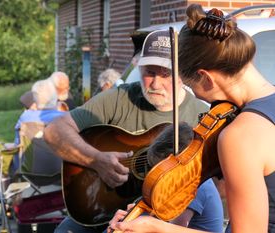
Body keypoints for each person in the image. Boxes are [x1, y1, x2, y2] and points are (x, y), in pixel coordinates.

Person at [109, 4, 275, 233]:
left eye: (189, 86)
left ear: (205, 78)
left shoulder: (241, 136)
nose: (195, 96)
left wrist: (158, 228)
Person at [44, 29, 209, 232]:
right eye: (149, 72)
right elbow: (54, 131)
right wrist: (95, 160)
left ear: (184, 72)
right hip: (99, 211)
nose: (156, 83)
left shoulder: (203, 118)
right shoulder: (120, 98)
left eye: (166, 73)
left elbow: (218, 187)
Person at [109, 122, 224, 233]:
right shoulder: (186, 183)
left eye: (162, 172)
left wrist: (146, 225)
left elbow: (174, 228)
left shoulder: (195, 187)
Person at [12, 79, 66, 172]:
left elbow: (17, 145)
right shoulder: (67, 118)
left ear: (35, 99)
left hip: (30, 174)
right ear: (55, 97)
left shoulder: (25, 117)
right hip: (62, 173)